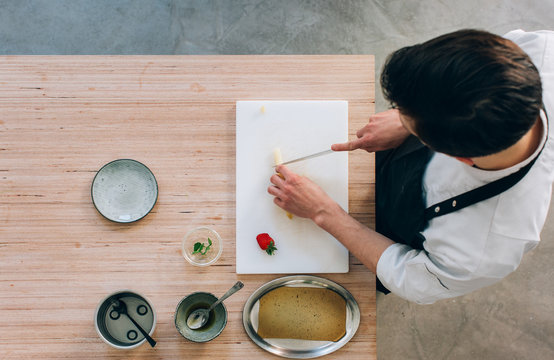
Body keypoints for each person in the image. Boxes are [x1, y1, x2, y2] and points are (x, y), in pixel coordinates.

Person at [268, 29, 554, 304]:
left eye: (410, 120)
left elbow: (411, 277)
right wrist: (406, 118)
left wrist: (326, 214)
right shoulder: (539, 52)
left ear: (458, 157)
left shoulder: (484, 248)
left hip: (396, 231)